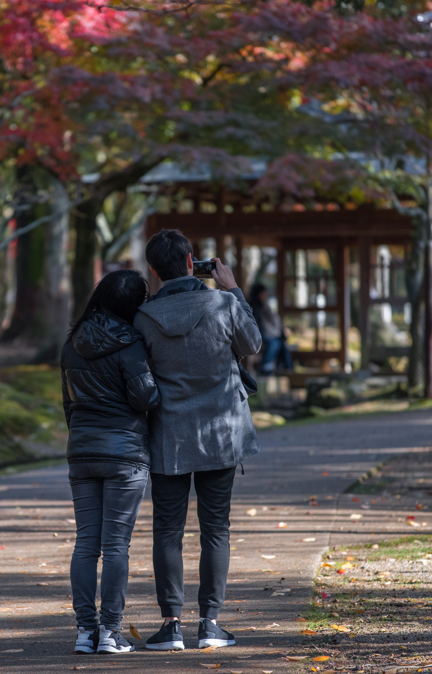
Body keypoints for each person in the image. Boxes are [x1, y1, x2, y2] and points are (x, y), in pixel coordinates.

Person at [134, 229, 263, 651]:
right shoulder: (224, 303)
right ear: (193, 262)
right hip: (222, 431)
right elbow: (254, 343)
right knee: (215, 529)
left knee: (167, 530)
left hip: (169, 433)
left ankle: (171, 625)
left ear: (153, 271)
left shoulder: (144, 317)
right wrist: (235, 289)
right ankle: (210, 624)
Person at [61, 270, 161, 655]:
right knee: (116, 545)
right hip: (125, 453)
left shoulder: (72, 343)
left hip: (81, 451)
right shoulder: (130, 344)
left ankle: (85, 632)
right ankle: (110, 632)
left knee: (86, 543)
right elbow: (146, 398)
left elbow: (68, 403)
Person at [247, 283, 292, 375]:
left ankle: (285, 368)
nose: (264, 296)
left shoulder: (262, 305)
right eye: (263, 293)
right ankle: (267, 365)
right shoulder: (253, 306)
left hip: (263, 333)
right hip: (256, 334)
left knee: (281, 343)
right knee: (275, 343)